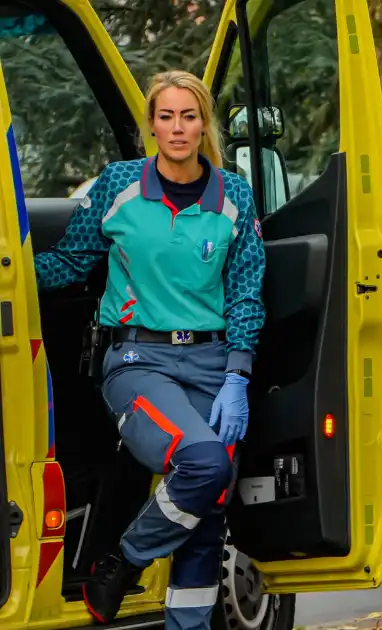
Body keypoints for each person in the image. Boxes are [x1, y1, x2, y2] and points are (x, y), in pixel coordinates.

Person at [34, 69, 265, 630]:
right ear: (151, 126)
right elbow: (69, 262)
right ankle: (123, 562)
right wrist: (12, 274)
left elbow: (246, 293)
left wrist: (238, 375)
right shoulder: (117, 186)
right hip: (139, 362)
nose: (178, 127)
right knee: (204, 462)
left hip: (213, 366)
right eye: (166, 116)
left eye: (189, 116)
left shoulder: (233, 194)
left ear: (204, 123)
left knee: (206, 520)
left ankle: (178, 614)